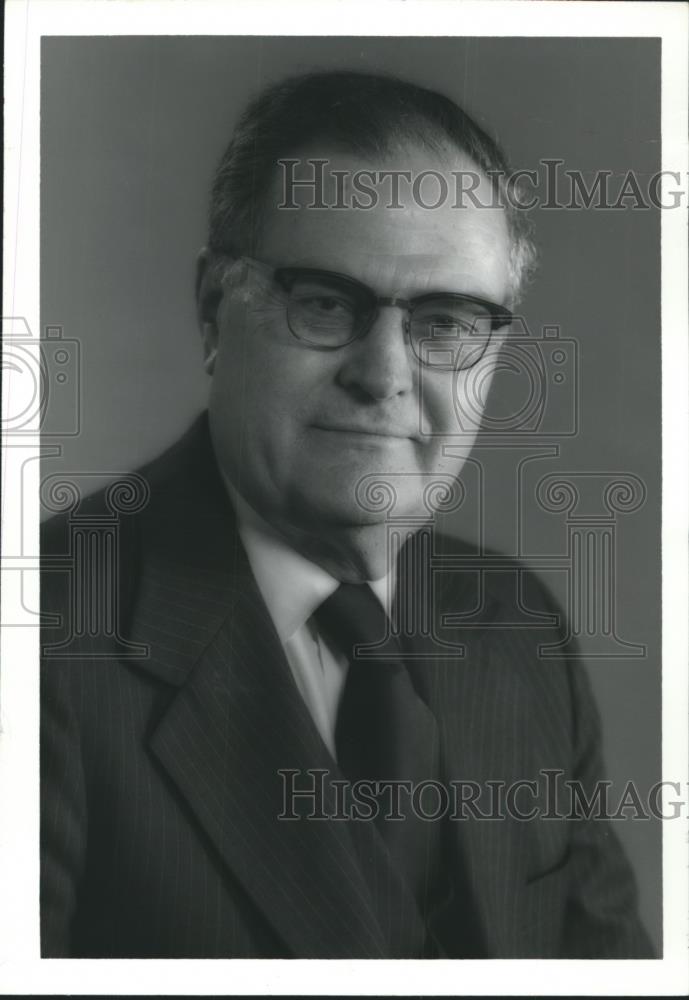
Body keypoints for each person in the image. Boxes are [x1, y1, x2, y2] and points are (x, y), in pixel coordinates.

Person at [40, 70, 653, 959]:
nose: (384, 374)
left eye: (444, 322)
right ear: (215, 308)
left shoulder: (518, 630)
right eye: (325, 303)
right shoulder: (44, 648)